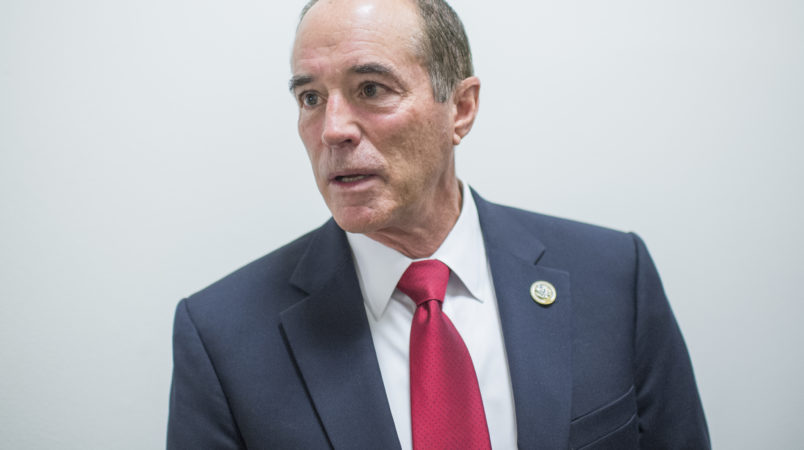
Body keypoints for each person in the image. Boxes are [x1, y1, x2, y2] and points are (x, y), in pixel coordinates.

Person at [167, 0, 710, 448]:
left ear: (462, 108)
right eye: (311, 97)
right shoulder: (222, 336)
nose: (332, 129)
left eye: (371, 89)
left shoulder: (614, 279)